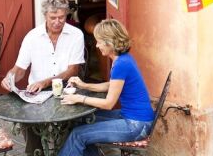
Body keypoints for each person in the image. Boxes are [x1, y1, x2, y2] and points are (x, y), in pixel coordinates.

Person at [1, 0, 85, 155]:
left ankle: (66, 151)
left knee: (70, 126)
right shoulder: (32, 37)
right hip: (37, 93)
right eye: (53, 17)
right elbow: (19, 69)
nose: (57, 22)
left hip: (66, 89)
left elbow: (73, 70)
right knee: (28, 121)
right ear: (45, 15)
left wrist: (45, 82)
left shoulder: (76, 35)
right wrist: (9, 77)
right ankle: (35, 152)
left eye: (62, 17)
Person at [58, 19, 154, 156]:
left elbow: (109, 104)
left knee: (78, 135)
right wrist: (84, 85)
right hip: (134, 118)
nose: (97, 45)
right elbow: (112, 85)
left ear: (110, 42)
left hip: (136, 125)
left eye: (99, 41)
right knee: (82, 120)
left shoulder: (121, 64)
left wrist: (79, 98)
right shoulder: (124, 59)